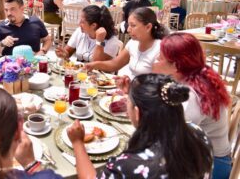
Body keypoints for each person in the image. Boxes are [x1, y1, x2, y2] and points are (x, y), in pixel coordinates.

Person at [67, 74, 213, 179]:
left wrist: (78, 142)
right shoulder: (199, 134)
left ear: (137, 113)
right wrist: (133, 96)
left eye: (128, 104)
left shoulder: (132, 165)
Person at [152, 33, 231, 179]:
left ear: (176, 66)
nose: (156, 58)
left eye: (161, 57)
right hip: (211, 154)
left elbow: (172, 142)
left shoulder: (190, 96)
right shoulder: (199, 74)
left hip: (212, 165)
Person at [85, 7, 167, 79]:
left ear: (148, 27)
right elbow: (115, 64)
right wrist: (95, 65)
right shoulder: (132, 43)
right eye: (128, 25)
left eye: (133, 25)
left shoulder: (160, 49)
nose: (128, 30)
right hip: (131, 90)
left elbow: (156, 82)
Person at [56, 5, 120, 62]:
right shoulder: (80, 32)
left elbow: (98, 64)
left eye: (82, 22)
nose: (79, 24)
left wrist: (99, 41)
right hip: (81, 73)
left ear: (93, 25)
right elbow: (68, 52)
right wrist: (64, 54)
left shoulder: (112, 41)